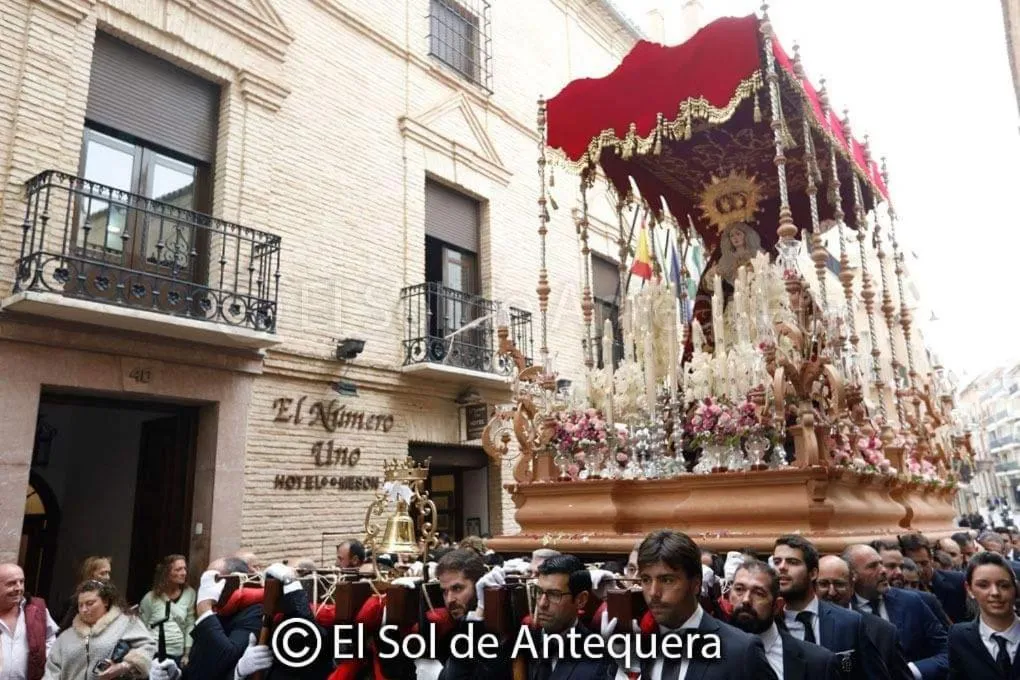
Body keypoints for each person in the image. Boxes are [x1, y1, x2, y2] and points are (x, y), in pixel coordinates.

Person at [602, 529, 777, 679]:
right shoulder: (638, 644)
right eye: (646, 580)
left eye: (667, 580)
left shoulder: (741, 651)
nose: (653, 592)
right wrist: (626, 671)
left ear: (695, 584)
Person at [772, 535, 889, 680]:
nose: (782, 567)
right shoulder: (769, 624)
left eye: (793, 562)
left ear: (813, 573)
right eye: (777, 562)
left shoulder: (849, 623)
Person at [149, 556, 264, 680]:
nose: (206, 587)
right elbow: (200, 666)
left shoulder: (254, 611)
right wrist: (176, 674)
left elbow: (226, 657)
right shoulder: (216, 612)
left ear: (234, 581)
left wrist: (204, 609)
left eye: (213, 580)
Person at [843, 544, 948, 680]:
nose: (883, 571)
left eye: (882, 564)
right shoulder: (844, 611)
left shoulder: (912, 602)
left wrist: (913, 670)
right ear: (852, 575)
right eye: (873, 566)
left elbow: (948, 651)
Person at [728, 559, 839, 679]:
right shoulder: (711, 650)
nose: (746, 600)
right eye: (739, 589)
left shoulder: (819, 662)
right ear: (729, 596)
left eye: (759, 593)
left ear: (777, 606)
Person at [816, 555, 913, 680]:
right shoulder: (800, 624)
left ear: (851, 587)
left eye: (839, 584)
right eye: (823, 584)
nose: (832, 592)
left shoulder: (883, 632)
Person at [45, 580, 154, 679]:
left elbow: (147, 645)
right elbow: (51, 671)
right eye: (80, 605)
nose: (84, 610)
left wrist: (123, 666)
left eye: (90, 603)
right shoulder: (66, 637)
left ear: (106, 601)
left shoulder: (126, 623)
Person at [527, 555, 611, 680]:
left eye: (554, 594)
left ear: (580, 600)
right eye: (539, 592)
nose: (542, 603)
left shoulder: (599, 658)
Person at [434, 549, 512, 680]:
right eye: (444, 591)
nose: (449, 599)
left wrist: (478, 614)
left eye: (457, 588)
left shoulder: (501, 632)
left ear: (478, 585)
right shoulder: (454, 628)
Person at [948, 551, 1020, 678]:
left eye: (1004, 585)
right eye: (983, 585)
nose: (995, 592)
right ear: (969, 589)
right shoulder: (959, 636)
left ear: (1015, 588)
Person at [0, 563, 58, 680]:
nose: (19, 588)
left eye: (21, 582)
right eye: (11, 583)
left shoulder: (37, 610)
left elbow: (51, 639)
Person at [139, 555, 196, 668]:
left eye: (184, 568)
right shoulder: (150, 597)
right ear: (166, 573)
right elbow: (142, 626)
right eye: (178, 569)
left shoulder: (190, 593)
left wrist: (187, 654)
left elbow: (190, 624)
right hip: (153, 652)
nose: (184, 572)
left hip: (177, 653)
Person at [899, 533, 968, 623]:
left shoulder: (958, 581)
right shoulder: (901, 589)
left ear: (931, 559)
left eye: (924, 563)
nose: (920, 569)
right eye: (914, 564)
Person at [58, 556, 112, 631]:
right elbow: (64, 629)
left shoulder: (110, 597)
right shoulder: (77, 599)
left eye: (108, 573)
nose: (107, 577)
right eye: (103, 573)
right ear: (91, 574)